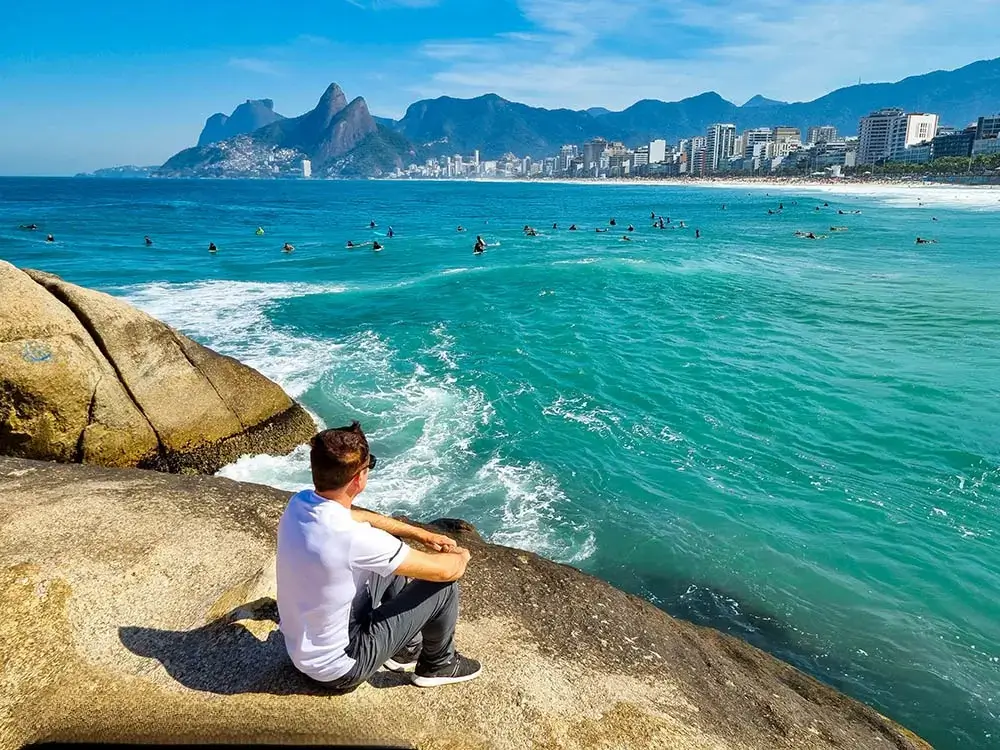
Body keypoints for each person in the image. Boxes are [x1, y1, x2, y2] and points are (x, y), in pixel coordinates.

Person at [276, 423, 482, 691]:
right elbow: (446, 571)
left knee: (392, 549)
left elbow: (360, 518)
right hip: (341, 667)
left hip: (301, 653)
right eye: (368, 465)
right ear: (359, 479)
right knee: (443, 587)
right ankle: (438, 664)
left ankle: (406, 649)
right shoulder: (354, 539)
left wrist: (420, 534)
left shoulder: (300, 503)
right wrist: (461, 555)